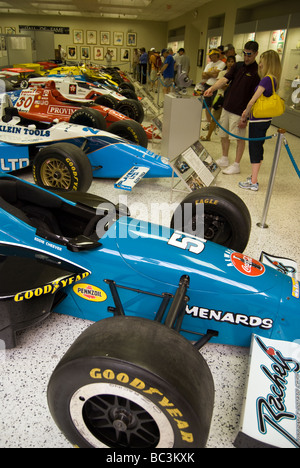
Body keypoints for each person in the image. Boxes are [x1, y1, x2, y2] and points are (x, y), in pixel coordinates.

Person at [203, 40, 260, 175]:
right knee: (223, 135)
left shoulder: (257, 72)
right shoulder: (238, 66)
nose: (246, 57)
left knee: (239, 138)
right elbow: (224, 79)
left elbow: (255, 97)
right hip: (227, 106)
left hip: (240, 111)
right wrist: (212, 88)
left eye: (250, 55)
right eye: (245, 54)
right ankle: (224, 158)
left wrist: (246, 116)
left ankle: (236, 164)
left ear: (256, 54)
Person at [238, 50, 282, 191]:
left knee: (254, 149)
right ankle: (253, 176)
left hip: (258, 120)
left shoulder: (266, 79)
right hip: (266, 119)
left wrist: (245, 113)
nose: (260, 63)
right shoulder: (275, 79)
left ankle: (254, 181)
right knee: (259, 147)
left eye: (262, 60)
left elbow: (253, 100)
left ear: (268, 62)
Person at [200, 55, 236, 141]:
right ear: (226, 63)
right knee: (214, 118)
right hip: (220, 98)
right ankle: (208, 136)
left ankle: (227, 138)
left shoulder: (236, 74)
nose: (230, 64)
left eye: (232, 62)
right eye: (229, 61)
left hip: (231, 100)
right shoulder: (222, 73)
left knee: (228, 121)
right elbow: (222, 86)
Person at [202, 49, 226, 128]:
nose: (210, 57)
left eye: (211, 55)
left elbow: (216, 75)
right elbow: (203, 75)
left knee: (215, 106)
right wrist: (211, 74)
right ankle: (209, 122)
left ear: (216, 55)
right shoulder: (209, 64)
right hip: (207, 85)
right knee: (207, 105)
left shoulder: (222, 64)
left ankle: (215, 123)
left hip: (216, 87)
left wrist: (208, 74)